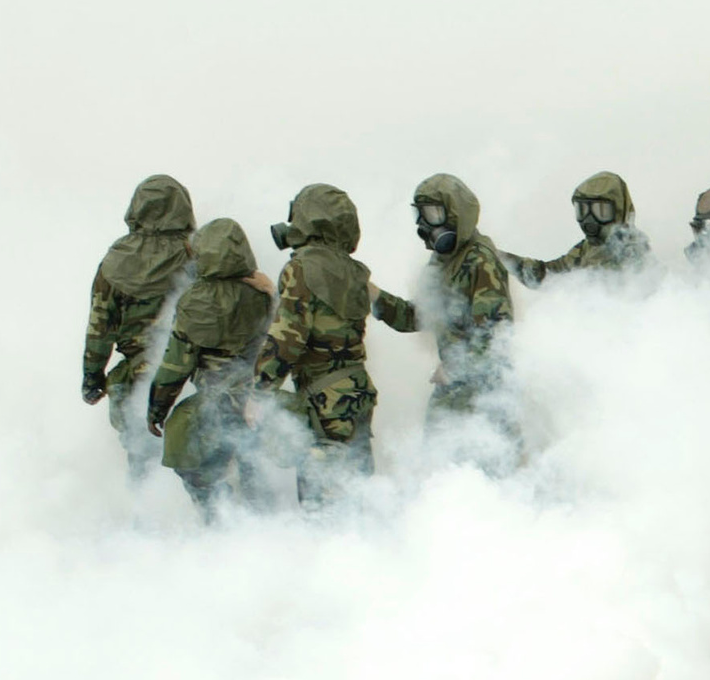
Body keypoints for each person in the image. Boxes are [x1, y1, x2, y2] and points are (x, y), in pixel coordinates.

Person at [254, 184, 386, 510]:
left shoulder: (300, 268)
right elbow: (398, 313)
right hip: (356, 397)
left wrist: (259, 393)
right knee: (358, 494)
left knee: (323, 509)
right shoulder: (354, 273)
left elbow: (287, 339)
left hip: (324, 403)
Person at [373, 174, 517, 456]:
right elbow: (417, 316)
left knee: (482, 472)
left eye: (433, 214)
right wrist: (374, 296)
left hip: (483, 392)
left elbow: (496, 332)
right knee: (441, 466)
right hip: (456, 389)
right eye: (421, 214)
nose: (425, 224)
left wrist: (455, 367)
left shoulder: (480, 260)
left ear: (456, 214)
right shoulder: (442, 263)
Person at [146, 219, 272, 520]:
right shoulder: (262, 295)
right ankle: (264, 535)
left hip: (214, 405)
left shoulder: (194, 302)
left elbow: (175, 365)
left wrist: (157, 410)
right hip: (257, 402)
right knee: (254, 474)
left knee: (201, 476)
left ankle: (219, 528)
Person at [83, 175, 196, 483]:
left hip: (136, 377)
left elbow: (100, 327)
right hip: (189, 372)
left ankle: (144, 521)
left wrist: (92, 377)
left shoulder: (115, 259)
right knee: (193, 456)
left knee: (140, 458)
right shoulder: (195, 254)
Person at [503, 171, 651, 286]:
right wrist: (502, 259)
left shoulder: (632, 252)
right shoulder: (585, 249)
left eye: (601, 211)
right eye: (583, 210)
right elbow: (549, 276)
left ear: (619, 210)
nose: (590, 219)